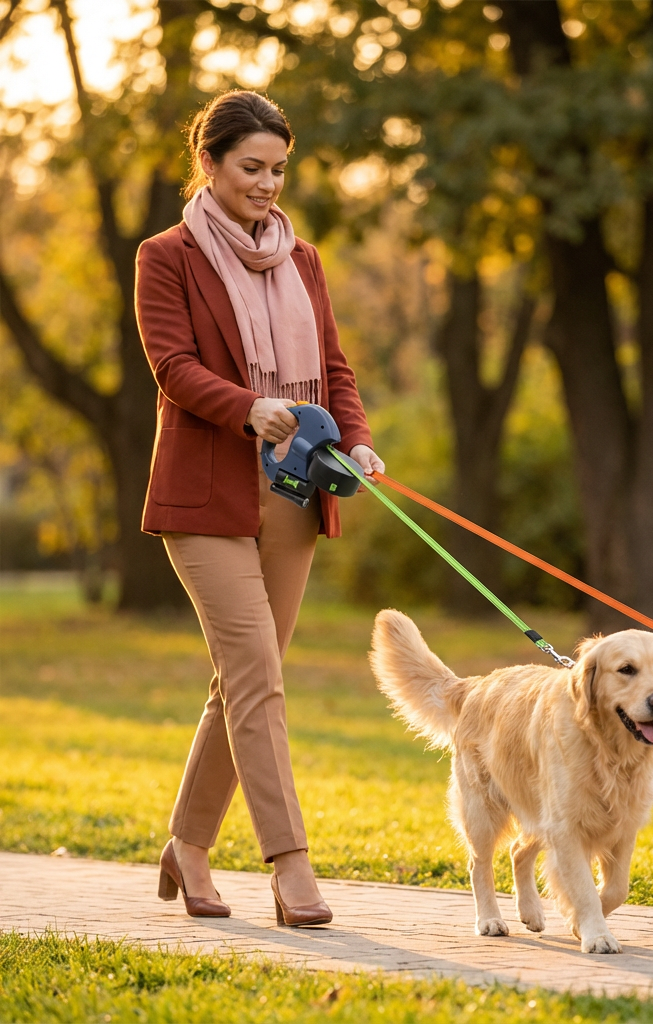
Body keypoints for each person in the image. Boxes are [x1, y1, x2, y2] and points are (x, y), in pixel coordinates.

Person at [135, 90, 383, 927]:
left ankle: (188, 845)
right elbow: (171, 365)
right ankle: (291, 864)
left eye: (278, 168)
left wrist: (357, 441)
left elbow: (335, 368)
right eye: (251, 167)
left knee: (244, 681)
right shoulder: (165, 257)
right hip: (205, 496)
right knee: (258, 679)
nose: (268, 184)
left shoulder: (303, 258)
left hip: (293, 496)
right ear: (208, 163)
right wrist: (250, 407)